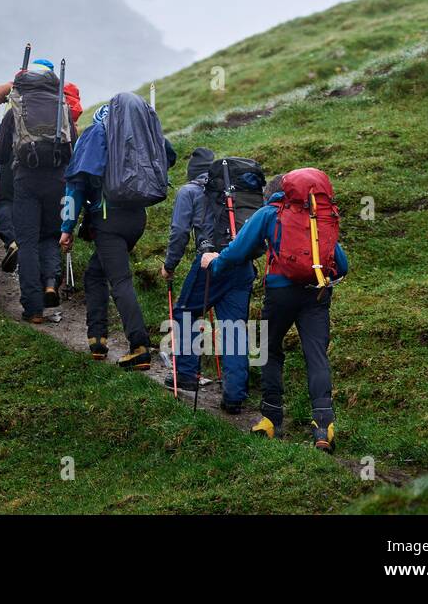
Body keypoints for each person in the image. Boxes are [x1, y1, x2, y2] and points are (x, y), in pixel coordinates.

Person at [201, 169, 348, 450]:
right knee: (316, 355)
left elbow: (239, 250)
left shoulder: (271, 213)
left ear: (275, 193)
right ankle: (323, 427)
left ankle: (271, 419)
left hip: (280, 293)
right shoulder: (318, 216)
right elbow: (342, 264)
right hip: (317, 294)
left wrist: (215, 264)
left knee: (270, 350)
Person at [59, 93, 176, 369]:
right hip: (136, 218)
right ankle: (97, 339)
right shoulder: (143, 131)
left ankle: (139, 346)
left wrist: (67, 227)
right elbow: (168, 155)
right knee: (95, 274)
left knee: (120, 280)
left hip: (108, 219)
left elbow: (75, 185)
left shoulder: (98, 132)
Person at [162, 148, 257, 413]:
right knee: (234, 328)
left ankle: (186, 375)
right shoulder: (234, 193)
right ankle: (235, 396)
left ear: (192, 172)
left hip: (211, 263)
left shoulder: (188, 192)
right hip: (242, 262)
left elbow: (180, 232)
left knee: (186, 312)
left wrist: (169, 266)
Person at [0, 59, 72, 322]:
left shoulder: (17, 107)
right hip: (57, 179)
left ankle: (33, 309)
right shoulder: (61, 106)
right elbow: (71, 145)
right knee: (51, 234)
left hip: (26, 181)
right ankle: (51, 283)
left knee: (28, 242)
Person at [0, 80, 81, 274]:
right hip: (53, 165)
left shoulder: (17, 91)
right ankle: (47, 274)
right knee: (43, 213)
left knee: (6, 200)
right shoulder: (59, 98)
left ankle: (13, 240)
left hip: (16, 157)